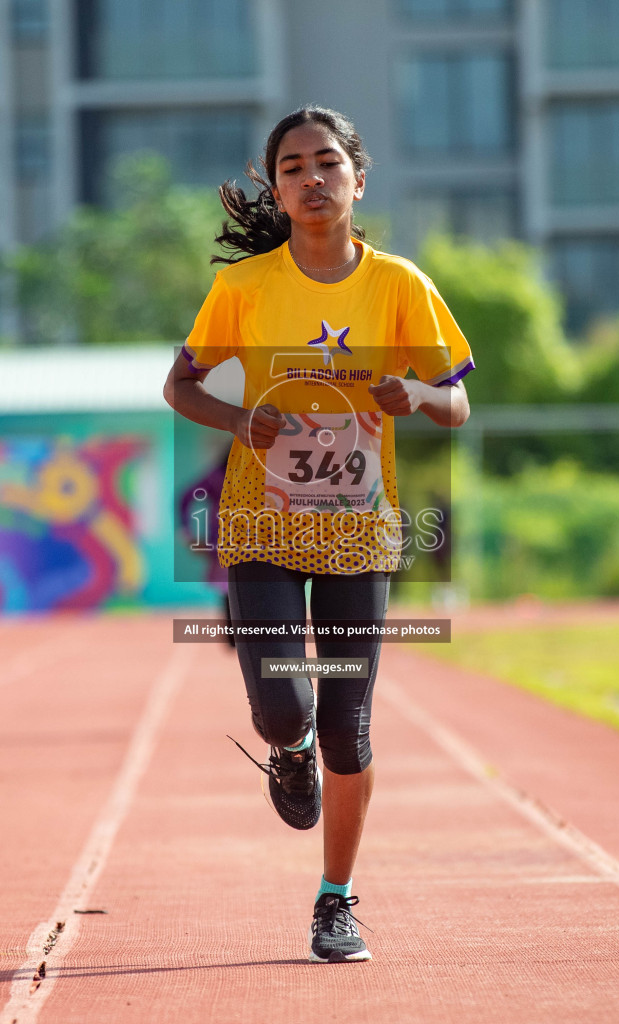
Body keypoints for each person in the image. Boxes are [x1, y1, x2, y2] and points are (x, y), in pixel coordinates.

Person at [161, 106, 474, 963]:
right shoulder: (245, 288)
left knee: (350, 723)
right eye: (292, 166)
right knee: (283, 704)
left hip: (359, 533)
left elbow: (459, 400)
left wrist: (418, 397)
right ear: (277, 187)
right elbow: (178, 387)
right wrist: (239, 419)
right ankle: (287, 749)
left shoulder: (400, 285)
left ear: (357, 179)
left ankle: (335, 900)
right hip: (260, 520)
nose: (311, 177)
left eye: (327, 162)